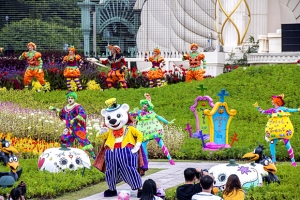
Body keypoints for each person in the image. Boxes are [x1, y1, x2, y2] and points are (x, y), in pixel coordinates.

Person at [130, 93, 175, 169]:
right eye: (144, 104)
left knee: (161, 144)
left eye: (146, 105)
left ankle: (170, 159)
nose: (145, 106)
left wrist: (167, 122)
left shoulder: (151, 113)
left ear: (149, 106)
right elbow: (130, 114)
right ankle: (146, 161)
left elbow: (159, 117)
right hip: (144, 132)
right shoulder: (138, 112)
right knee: (143, 146)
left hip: (154, 130)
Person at [254, 94, 299, 166]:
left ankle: (293, 162)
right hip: (274, 132)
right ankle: (274, 161)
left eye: (273, 100)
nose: (272, 101)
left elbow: (290, 110)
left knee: (287, 145)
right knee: (271, 144)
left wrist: (298, 109)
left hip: (283, 131)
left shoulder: (282, 108)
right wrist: (257, 107)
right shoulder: (272, 110)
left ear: (276, 101)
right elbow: (263, 112)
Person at [49, 92, 95, 159]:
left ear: (74, 99)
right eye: (69, 98)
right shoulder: (65, 108)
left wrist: (75, 118)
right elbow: (61, 112)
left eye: (71, 98)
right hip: (69, 129)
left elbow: (83, 114)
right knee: (64, 141)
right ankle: (65, 158)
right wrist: (54, 109)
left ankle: (94, 158)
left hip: (77, 128)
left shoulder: (78, 106)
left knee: (85, 142)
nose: (70, 99)